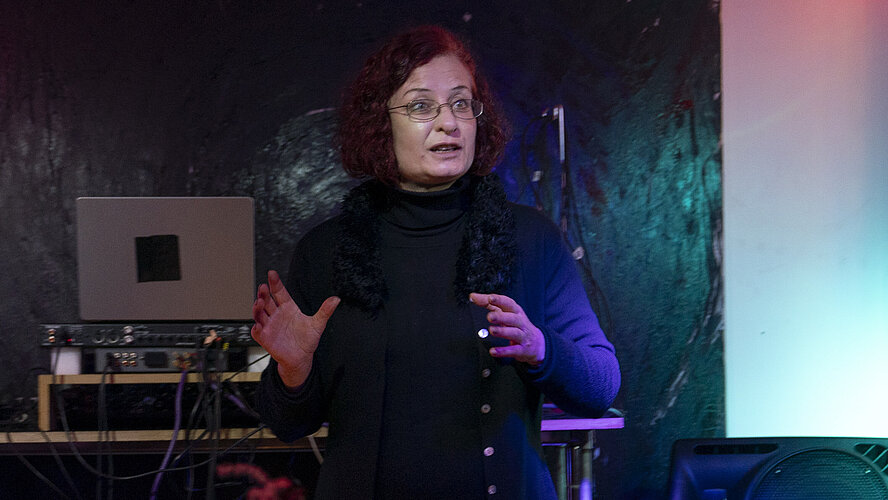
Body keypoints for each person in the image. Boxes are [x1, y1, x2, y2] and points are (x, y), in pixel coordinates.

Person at [252, 25, 620, 499]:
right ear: (380, 123)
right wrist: (293, 369)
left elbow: (601, 386)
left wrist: (541, 348)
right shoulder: (326, 251)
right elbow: (286, 424)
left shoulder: (531, 239)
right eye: (422, 106)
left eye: (461, 103)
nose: (449, 122)